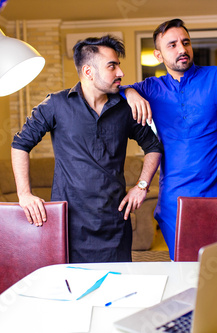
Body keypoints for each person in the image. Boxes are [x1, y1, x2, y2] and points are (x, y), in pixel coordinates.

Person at [11, 35, 162, 263]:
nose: (120, 72)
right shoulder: (55, 104)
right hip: (68, 225)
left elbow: (153, 145)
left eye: (118, 65)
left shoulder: (125, 109)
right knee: (72, 292)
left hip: (115, 224)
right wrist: (24, 195)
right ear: (89, 71)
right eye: (112, 66)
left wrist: (142, 186)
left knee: (116, 290)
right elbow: (20, 144)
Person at [121, 19, 217, 259]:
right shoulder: (150, 88)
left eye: (185, 42)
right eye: (172, 45)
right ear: (158, 55)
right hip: (174, 201)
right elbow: (112, 88)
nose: (182, 49)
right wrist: (130, 92)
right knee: (185, 270)